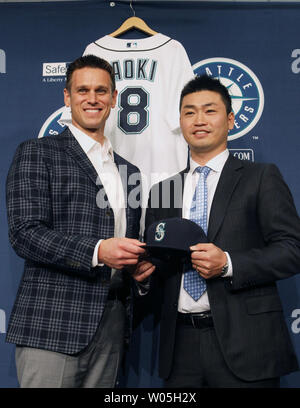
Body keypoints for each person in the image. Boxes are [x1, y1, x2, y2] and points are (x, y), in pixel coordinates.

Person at [133, 75, 300, 388]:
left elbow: (292, 249)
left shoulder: (260, 177)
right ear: (180, 121)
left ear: (231, 120)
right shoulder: (163, 191)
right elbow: (159, 265)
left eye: (210, 111)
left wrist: (228, 263)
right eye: (189, 111)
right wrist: (144, 279)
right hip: (179, 346)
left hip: (248, 344)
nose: (199, 120)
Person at [6, 55, 145, 388]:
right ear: (67, 97)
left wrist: (137, 269)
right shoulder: (38, 152)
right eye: (83, 90)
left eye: (101, 90)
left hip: (111, 325)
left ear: (114, 98)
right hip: (53, 323)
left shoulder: (130, 172)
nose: (92, 98)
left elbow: (125, 245)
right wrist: (98, 251)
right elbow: (25, 233)